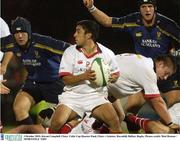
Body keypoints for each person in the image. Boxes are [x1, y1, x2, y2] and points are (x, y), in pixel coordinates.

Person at [83, 0, 180, 130]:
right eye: (144, 7)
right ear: (140, 9)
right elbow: (108, 21)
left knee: (176, 107)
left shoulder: (167, 25)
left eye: (150, 6)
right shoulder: (133, 20)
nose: (147, 10)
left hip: (164, 71)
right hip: (143, 73)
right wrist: (91, 7)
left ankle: (163, 128)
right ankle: (137, 128)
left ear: (155, 8)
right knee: (129, 114)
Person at [49, 20, 122, 134]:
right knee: (55, 124)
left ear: (89, 35)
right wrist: (84, 76)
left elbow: (116, 73)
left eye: (78, 32)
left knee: (115, 122)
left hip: (96, 95)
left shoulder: (107, 53)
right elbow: (66, 79)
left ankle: (86, 124)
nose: (74, 35)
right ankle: (76, 121)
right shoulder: (70, 52)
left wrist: (112, 78)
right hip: (73, 96)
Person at [0, 16, 71, 126]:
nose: (20, 36)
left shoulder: (43, 42)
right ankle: (31, 136)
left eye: (23, 32)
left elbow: (70, 49)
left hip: (54, 83)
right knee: (19, 107)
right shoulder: (11, 42)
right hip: (33, 83)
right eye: (16, 33)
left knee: (54, 120)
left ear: (29, 33)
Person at [94, 53, 180, 133]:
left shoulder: (144, 61)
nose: (165, 78)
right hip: (98, 90)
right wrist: (170, 123)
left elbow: (151, 100)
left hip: (106, 90)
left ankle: (96, 128)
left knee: (120, 116)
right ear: (161, 64)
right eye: (166, 73)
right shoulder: (149, 71)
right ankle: (90, 125)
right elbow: (157, 101)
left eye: (168, 76)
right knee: (115, 124)